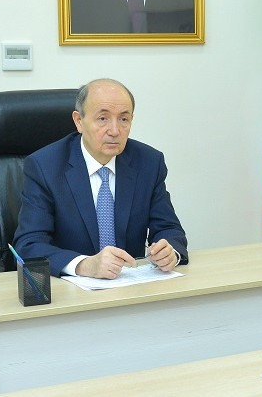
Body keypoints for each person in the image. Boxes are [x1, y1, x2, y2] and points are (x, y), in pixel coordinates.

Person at [13, 78, 188, 278]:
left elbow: (169, 229)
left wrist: (169, 251)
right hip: (70, 289)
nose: (115, 131)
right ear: (79, 121)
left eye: (124, 119)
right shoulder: (44, 166)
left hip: (131, 286)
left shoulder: (148, 163)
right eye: (103, 118)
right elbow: (29, 245)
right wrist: (84, 265)